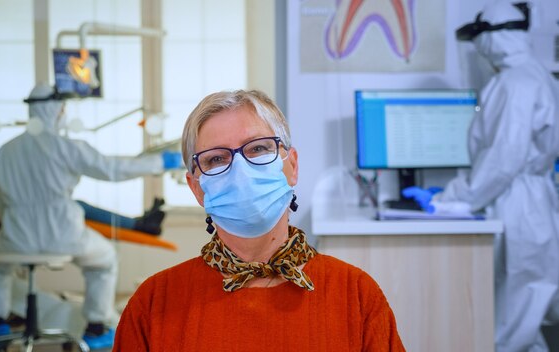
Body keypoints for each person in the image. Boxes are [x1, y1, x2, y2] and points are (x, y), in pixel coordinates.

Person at [113, 90, 405, 351]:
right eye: (216, 159)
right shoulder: (153, 303)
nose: (240, 170)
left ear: (291, 166)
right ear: (196, 188)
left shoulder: (355, 294)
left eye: (258, 149)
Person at [0, 83, 179, 350]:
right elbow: (112, 169)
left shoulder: (5, 151)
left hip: (16, 238)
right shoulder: (66, 147)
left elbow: (0, 204)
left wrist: (16, 226)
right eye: (62, 108)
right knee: (104, 260)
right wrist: (160, 163)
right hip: (65, 235)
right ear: (56, 109)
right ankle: (96, 329)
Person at [405, 2, 559, 351]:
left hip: (518, 207)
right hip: (535, 203)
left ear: (494, 38)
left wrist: (449, 198)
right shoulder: (538, 76)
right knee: (524, 322)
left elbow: (504, 160)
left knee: (509, 329)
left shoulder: (514, 83)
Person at [0, 106, 167, 244]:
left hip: (14, 214)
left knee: (75, 205)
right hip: (12, 219)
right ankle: (139, 225)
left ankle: (138, 223)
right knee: (75, 209)